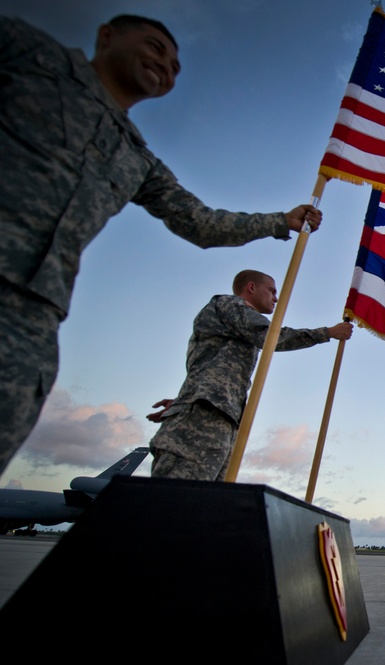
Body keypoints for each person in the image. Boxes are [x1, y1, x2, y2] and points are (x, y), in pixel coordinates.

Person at [0, 15, 327, 477]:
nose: (165, 66)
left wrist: (280, 221)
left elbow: (200, 223)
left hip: (33, 314)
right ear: (107, 36)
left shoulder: (136, 157)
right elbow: (268, 336)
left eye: (175, 65)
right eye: (154, 47)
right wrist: (325, 334)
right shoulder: (32, 56)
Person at [145, 270, 352, 481]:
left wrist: (187, 400)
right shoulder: (229, 305)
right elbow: (271, 337)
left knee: (202, 503)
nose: (276, 298)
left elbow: (212, 368)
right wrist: (326, 333)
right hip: (203, 417)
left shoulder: (234, 325)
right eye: (271, 291)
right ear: (251, 287)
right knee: (175, 501)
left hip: (220, 416)